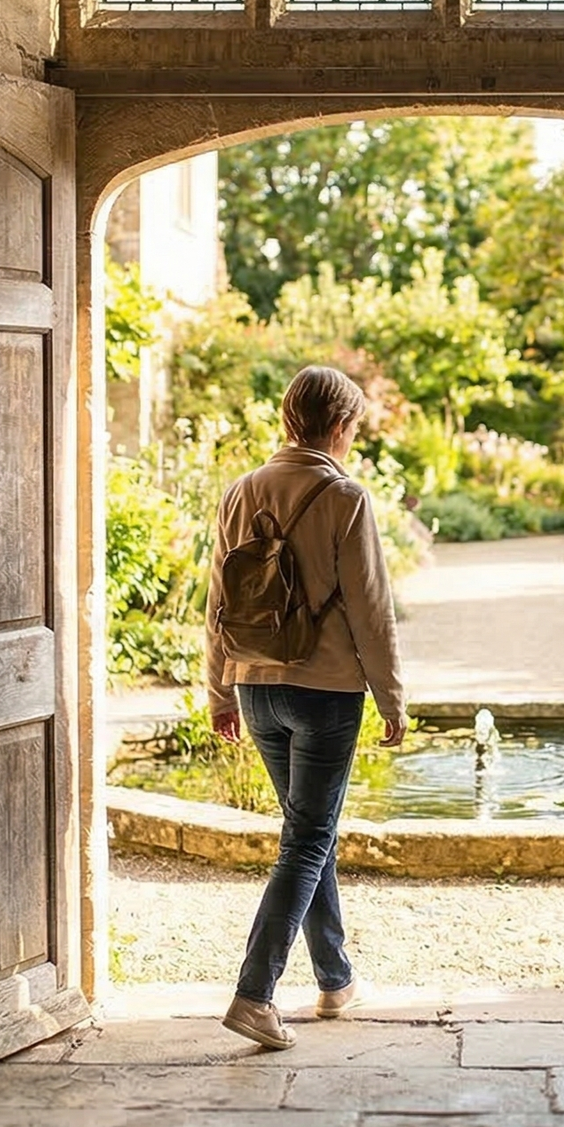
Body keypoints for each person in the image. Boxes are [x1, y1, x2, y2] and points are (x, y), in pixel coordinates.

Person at [204, 365, 408, 1050]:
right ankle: (254, 995)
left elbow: (218, 606)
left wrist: (220, 689)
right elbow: (371, 610)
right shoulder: (346, 497)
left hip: (256, 686)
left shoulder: (239, 491)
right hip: (325, 692)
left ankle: (335, 980)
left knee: (307, 832)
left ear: (289, 419)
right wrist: (392, 698)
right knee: (309, 838)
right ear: (341, 426)